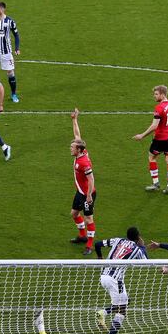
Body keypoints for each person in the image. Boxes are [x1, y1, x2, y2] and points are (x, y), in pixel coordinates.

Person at [94, 227, 148, 334]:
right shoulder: (137, 249)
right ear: (138, 237)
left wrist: (100, 258)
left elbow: (97, 244)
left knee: (126, 300)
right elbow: (147, 262)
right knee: (122, 310)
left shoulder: (117, 240)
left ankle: (104, 312)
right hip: (115, 280)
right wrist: (143, 246)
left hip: (103, 276)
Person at [133, 85, 168, 195]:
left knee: (152, 157)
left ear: (163, 95)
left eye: (156, 94)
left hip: (160, 138)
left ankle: (156, 183)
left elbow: (154, 126)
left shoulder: (159, 108)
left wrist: (142, 135)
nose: (154, 96)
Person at [68, 108, 97, 255]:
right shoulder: (81, 153)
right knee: (74, 213)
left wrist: (89, 195)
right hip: (80, 192)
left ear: (79, 150)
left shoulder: (84, 162)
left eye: (72, 147)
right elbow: (77, 135)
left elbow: (91, 178)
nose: (70, 148)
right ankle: (82, 236)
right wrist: (74, 120)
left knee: (89, 219)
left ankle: (89, 245)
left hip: (87, 194)